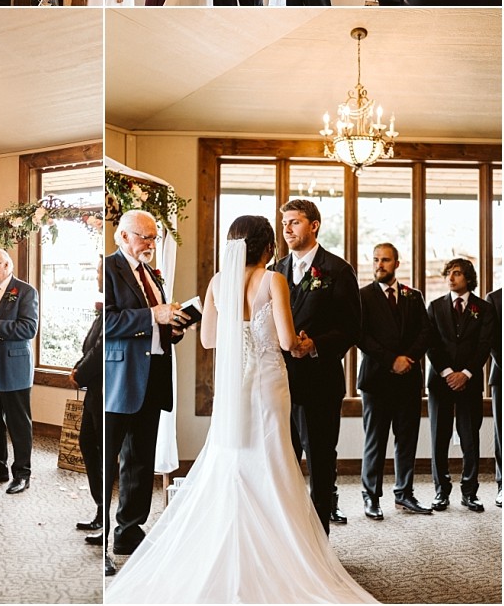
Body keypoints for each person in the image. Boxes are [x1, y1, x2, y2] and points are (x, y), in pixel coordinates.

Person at [107, 216, 376, 604]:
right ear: (267, 247)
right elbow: (287, 341)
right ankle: (282, 551)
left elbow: (209, 339)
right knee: (272, 459)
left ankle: (228, 542)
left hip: (234, 387)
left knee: (232, 459)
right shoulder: (274, 280)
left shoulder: (218, 282)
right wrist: (301, 342)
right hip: (268, 384)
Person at [104, 211, 191, 573]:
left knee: (141, 458)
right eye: (145, 237)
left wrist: (174, 327)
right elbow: (106, 323)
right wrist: (153, 316)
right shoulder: (108, 268)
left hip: (153, 375)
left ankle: (128, 531)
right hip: (120, 377)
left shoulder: (152, 273)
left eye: (155, 237)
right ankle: (101, 537)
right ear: (123, 236)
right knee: (108, 460)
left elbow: (157, 325)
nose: (151, 244)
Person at [273, 199, 361, 533]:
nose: (287, 229)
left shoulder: (337, 269)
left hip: (320, 383)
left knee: (321, 461)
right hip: (279, 383)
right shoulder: (275, 270)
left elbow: (352, 328)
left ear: (314, 225)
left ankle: (320, 538)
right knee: (282, 461)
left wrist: (316, 345)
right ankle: (289, 536)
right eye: (284, 223)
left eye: (294, 222)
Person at [358, 243, 432, 519]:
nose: (379, 264)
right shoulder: (363, 296)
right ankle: (371, 496)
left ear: (397, 264)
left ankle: (404, 493)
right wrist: (391, 360)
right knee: (375, 441)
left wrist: (407, 359)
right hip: (376, 380)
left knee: (407, 439)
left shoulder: (413, 296)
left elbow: (425, 332)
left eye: (385, 260)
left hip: (408, 380)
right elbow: (361, 336)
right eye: (376, 259)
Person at [426, 258, 495, 513]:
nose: (451, 278)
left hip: (470, 382)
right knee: (439, 437)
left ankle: (470, 492)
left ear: (468, 278)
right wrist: (448, 373)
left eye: (456, 273)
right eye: (448, 273)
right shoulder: (434, 307)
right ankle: (441, 491)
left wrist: (465, 374)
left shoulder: (484, 308)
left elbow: (484, 345)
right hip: (440, 381)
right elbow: (431, 344)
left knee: (470, 438)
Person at [0, 248, 39, 495]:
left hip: (14, 365)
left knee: (18, 423)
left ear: (6, 265)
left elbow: (28, 328)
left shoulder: (25, 291)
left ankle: (22, 474)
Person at [70, 256, 103, 546]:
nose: (97, 276)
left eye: (99, 272)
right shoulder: (103, 311)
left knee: (99, 451)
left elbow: (100, 350)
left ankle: (104, 514)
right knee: (88, 445)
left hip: (104, 391)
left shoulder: (112, 311)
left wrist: (79, 374)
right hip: (94, 391)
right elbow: (90, 347)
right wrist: (79, 367)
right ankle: (100, 510)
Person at [486, 287, 502, 507]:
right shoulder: (494, 298)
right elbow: (492, 340)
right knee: (502, 432)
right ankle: (502, 484)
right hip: (502, 375)